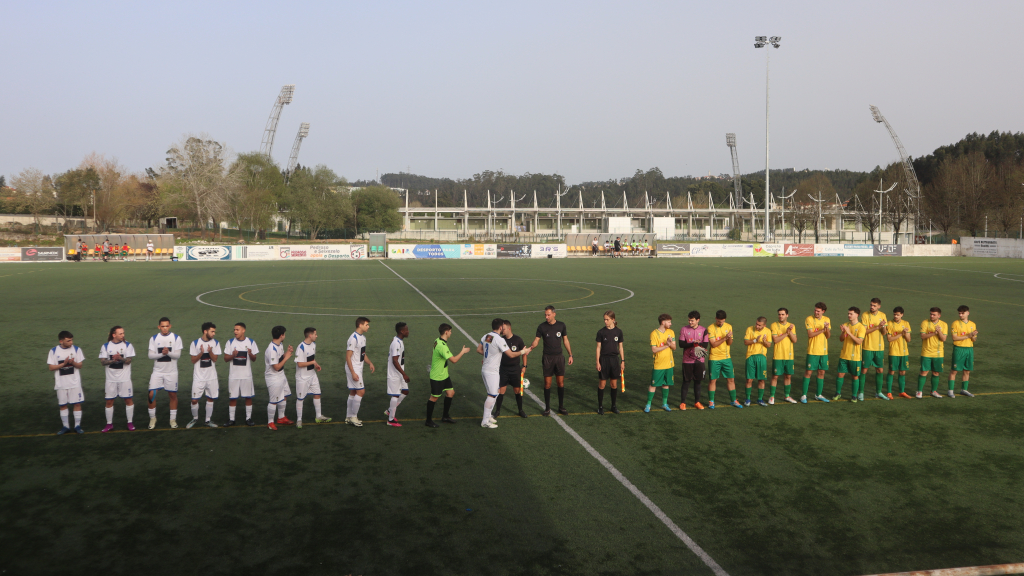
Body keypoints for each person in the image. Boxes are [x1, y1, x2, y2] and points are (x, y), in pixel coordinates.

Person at [477, 318, 532, 428]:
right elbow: (511, 355)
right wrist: (523, 351)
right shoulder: (499, 339)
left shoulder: (488, 336)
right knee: (492, 395)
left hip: (487, 369)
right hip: (492, 371)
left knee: (495, 393)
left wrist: (489, 356)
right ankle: (485, 421)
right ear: (501, 327)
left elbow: (479, 349)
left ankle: (488, 417)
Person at [530, 305, 574, 416]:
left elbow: (566, 340)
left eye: (548, 314)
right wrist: (530, 348)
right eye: (545, 315)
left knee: (560, 383)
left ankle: (561, 407)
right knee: (547, 384)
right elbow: (536, 341)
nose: (546, 317)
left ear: (554, 314)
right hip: (547, 358)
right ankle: (547, 408)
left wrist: (570, 354)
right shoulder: (541, 327)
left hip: (559, 358)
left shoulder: (561, 325)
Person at [426, 323, 471, 428]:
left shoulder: (437, 340)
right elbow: (454, 360)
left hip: (444, 374)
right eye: (450, 331)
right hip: (437, 376)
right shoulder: (441, 346)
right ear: (446, 332)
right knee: (434, 398)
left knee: (450, 393)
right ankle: (428, 420)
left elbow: (434, 354)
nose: (451, 333)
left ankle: (445, 416)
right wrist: (463, 351)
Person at [99, 326, 136, 432]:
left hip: (125, 379)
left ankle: (130, 422)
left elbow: (129, 361)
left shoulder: (127, 345)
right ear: (113, 335)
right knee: (109, 401)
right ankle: (109, 424)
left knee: (128, 400)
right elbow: (102, 362)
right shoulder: (105, 346)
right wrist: (112, 360)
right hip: (111, 380)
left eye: (123, 333)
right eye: (120, 333)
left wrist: (120, 358)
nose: (123, 335)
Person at [147, 317, 182, 429]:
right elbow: (150, 355)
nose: (165, 328)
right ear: (159, 327)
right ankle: (153, 418)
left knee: (172, 395)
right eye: (163, 326)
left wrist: (168, 352)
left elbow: (177, 355)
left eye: (167, 326)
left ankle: (172, 419)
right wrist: (163, 354)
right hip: (157, 372)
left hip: (171, 372)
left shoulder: (176, 338)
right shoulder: (154, 338)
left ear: (170, 326)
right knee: (151, 394)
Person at [49, 331, 86, 435]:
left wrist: (72, 362)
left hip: (74, 383)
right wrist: (63, 364)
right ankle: (65, 426)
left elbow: (80, 365)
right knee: (63, 405)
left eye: (71, 340)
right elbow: (51, 367)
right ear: (61, 341)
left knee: (77, 403)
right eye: (68, 340)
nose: (71, 342)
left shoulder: (77, 349)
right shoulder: (54, 351)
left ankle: (77, 426)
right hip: (61, 384)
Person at [223, 322, 259, 426]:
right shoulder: (230, 342)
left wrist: (251, 354)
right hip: (234, 376)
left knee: (248, 397)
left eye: (237, 330)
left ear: (243, 330)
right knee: (232, 398)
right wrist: (233, 356)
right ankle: (231, 419)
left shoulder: (251, 342)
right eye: (234, 330)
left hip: (246, 376)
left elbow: (254, 359)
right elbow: (225, 359)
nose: (235, 332)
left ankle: (248, 418)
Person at [187, 322, 221, 429]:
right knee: (194, 400)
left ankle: (207, 420)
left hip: (211, 377)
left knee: (210, 398)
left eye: (214, 331)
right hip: (199, 377)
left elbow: (215, 359)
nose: (214, 334)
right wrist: (201, 353)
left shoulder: (215, 343)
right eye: (212, 331)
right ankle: (195, 418)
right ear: (205, 331)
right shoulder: (195, 343)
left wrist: (210, 351)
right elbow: (193, 360)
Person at [295, 327, 330, 428]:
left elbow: (312, 359)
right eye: (315, 334)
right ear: (310, 335)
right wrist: (312, 362)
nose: (317, 336)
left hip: (312, 375)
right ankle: (299, 420)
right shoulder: (301, 347)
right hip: (302, 378)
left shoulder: (313, 344)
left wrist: (316, 364)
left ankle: (318, 416)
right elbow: (300, 364)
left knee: (317, 394)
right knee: (300, 399)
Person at [494, 319, 528, 418]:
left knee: (517, 391)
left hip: (515, 369)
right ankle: (497, 411)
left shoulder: (518, 340)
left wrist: (524, 366)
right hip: (503, 369)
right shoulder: (500, 339)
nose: (502, 331)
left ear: (509, 328)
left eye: (503, 329)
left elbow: (524, 353)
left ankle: (520, 410)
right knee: (501, 391)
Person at [707, 310, 741, 409]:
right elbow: (713, 344)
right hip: (714, 358)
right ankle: (711, 401)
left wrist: (729, 338)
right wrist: (725, 338)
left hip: (726, 358)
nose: (720, 323)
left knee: (731, 379)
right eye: (719, 321)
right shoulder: (710, 328)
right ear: (716, 319)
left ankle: (734, 400)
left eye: (722, 321)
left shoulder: (729, 326)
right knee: (713, 380)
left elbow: (730, 343)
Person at [345, 317, 375, 426]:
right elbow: (348, 357)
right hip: (353, 368)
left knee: (353, 391)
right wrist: (353, 372)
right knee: (361, 392)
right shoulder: (353, 338)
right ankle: (353, 417)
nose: (368, 326)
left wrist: (369, 363)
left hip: (358, 367)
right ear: (360, 325)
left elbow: (362, 353)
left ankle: (348, 416)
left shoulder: (362, 338)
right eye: (366, 324)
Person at [834, 307, 866, 402]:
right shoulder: (845, 325)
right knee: (840, 374)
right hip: (844, 355)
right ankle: (837, 393)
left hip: (855, 357)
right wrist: (844, 332)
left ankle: (854, 396)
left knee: (854, 376)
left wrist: (849, 333)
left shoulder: (861, 327)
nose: (849, 315)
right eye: (848, 313)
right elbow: (841, 339)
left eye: (851, 314)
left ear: (857, 315)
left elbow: (859, 342)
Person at [595, 310, 624, 415]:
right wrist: (597, 362)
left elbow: (620, 347)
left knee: (614, 384)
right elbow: (598, 348)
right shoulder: (601, 332)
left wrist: (622, 361)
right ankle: (600, 406)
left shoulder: (618, 332)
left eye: (607, 319)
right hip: (604, 360)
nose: (605, 321)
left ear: (613, 320)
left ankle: (613, 406)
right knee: (602, 384)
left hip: (615, 360)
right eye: (604, 319)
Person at [801, 302, 831, 404]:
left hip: (823, 351)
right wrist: (823, 329)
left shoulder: (827, 320)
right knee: (809, 372)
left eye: (818, 311)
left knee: (821, 372)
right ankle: (803, 395)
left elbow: (828, 336)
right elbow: (810, 334)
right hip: (813, 350)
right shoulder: (809, 319)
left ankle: (818, 395)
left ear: (823, 311)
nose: (816, 312)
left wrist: (826, 329)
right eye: (815, 310)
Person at [265, 326, 294, 431]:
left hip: (281, 375)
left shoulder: (279, 344)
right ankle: (270, 422)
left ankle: (281, 417)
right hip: (273, 377)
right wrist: (286, 358)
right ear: (281, 335)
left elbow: (280, 358)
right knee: (273, 401)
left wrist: (287, 352)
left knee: (285, 394)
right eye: (284, 334)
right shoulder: (271, 349)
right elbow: (276, 367)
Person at [679, 311, 709, 410]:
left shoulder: (704, 330)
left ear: (698, 320)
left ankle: (697, 402)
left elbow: (705, 345)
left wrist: (698, 345)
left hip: (699, 361)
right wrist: (692, 343)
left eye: (692, 320)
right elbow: (681, 344)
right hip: (687, 361)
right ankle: (683, 403)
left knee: (698, 382)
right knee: (686, 381)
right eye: (689, 320)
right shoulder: (684, 329)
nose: (690, 322)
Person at [860, 298, 888, 401]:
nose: (872, 307)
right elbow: (864, 332)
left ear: (879, 306)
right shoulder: (865, 315)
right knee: (864, 370)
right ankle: (861, 393)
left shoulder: (882, 315)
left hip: (879, 348)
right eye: (871, 305)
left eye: (874, 305)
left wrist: (883, 326)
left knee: (880, 370)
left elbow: (884, 333)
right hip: (867, 347)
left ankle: (879, 392)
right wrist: (877, 327)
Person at [647, 313, 676, 412]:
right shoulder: (654, 334)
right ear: (663, 322)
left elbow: (674, 347)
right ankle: (648, 404)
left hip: (669, 363)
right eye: (669, 322)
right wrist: (667, 345)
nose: (670, 324)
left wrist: (670, 344)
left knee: (666, 384)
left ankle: (664, 404)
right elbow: (654, 349)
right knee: (653, 384)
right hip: (659, 364)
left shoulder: (671, 332)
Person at [770, 308, 798, 404]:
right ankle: (772, 396)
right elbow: (775, 340)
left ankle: (787, 396)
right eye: (779, 314)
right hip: (778, 355)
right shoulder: (774, 325)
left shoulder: (791, 326)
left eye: (782, 314)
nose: (780, 316)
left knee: (788, 376)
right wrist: (786, 333)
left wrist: (789, 332)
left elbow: (794, 340)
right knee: (775, 376)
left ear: (787, 315)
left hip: (789, 356)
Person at [918, 307, 948, 399]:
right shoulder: (925, 322)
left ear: (939, 315)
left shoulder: (944, 324)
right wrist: (934, 333)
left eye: (933, 314)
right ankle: (919, 391)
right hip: (926, 352)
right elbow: (923, 336)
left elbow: (943, 339)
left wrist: (939, 332)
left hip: (938, 353)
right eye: (930, 314)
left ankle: (933, 391)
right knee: (924, 372)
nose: (931, 316)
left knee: (936, 373)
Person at [385, 323, 411, 427]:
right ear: (401, 331)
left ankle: (389, 411)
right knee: (395, 395)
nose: (408, 331)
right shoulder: (396, 343)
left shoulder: (398, 341)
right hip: (395, 374)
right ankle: (390, 420)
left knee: (405, 391)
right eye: (406, 330)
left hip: (399, 373)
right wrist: (404, 374)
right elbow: (395, 361)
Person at [743, 317, 772, 406]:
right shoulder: (749, 329)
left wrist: (764, 341)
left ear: (764, 325)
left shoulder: (768, 331)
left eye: (759, 325)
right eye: (756, 324)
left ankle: (760, 399)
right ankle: (747, 399)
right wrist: (755, 340)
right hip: (750, 356)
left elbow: (769, 345)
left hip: (762, 357)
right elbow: (746, 342)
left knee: (761, 380)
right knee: (749, 379)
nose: (757, 326)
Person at [950, 305, 978, 398]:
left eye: (962, 313)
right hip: (959, 349)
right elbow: (954, 338)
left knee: (967, 370)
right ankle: (950, 390)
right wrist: (968, 335)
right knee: (954, 370)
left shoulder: (973, 324)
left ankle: (964, 390)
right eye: (959, 313)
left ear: (968, 313)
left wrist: (973, 336)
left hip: (969, 349)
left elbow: (974, 340)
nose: (960, 315)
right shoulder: (955, 323)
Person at [886, 307, 912, 399]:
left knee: (902, 372)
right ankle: (889, 392)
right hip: (894, 351)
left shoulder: (906, 323)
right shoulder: (889, 324)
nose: (896, 316)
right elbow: (889, 339)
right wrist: (901, 333)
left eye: (897, 315)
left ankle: (901, 392)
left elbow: (908, 340)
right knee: (892, 371)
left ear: (902, 314)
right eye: (894, 314)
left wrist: (906, 333)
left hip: (904, 352)